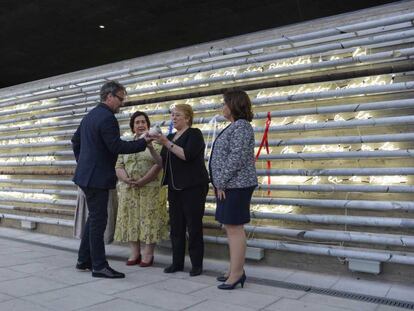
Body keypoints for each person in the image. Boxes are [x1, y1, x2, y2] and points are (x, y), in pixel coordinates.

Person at [72, 81, 150, 279]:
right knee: (99, 221)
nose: (121, 103)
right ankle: (99, 266)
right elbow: (116, 147)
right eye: (120, 98)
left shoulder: (90, 115)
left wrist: (83, 163)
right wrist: (143, 142)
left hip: (86, 176)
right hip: (97, 178)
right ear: (109, 96)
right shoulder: (107, 118)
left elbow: (75, 141)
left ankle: (83, 260)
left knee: (94, 217)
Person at [150, 104, 209, 276]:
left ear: (188, 118)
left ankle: (197, 264)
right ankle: (177, 262)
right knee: (176, 227)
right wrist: (151, 147)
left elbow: (187, 155)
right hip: (175, 187)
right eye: (172, 115)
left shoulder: (194, 134)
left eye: (177, 115)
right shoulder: (170, 136)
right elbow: (162, 163)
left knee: (194, 226)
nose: (173, 118)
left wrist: (166, 142)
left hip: (193, 187)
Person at [209, 89, 258, 290]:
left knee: (234, 228)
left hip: (236, 185)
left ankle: (237, 274)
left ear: (234, 105)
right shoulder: (235, 126)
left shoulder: (242, 127)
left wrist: (220, 181)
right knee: (230, 228)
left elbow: (236, 158)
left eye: (224, 103)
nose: (222, 107)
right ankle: (234, 269)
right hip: (230, 185)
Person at [114, 111, 168, 267]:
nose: (140, 125)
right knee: (131, 220)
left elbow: (159, 164)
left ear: (148, 125)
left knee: (149, 219)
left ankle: (148, 253)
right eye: (137, 122)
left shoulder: (156, 143)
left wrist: (143, 181)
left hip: (150, 189)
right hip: (129, 189)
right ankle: (134, 252)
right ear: (132, 127)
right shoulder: (126, 143)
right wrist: (126, 179)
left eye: (143, 122)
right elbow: (118, 165)